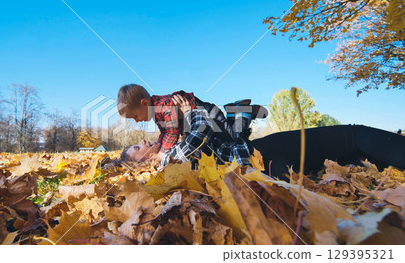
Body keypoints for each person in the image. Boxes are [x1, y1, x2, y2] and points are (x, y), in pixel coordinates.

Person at [121, 95, 405, 179]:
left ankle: (240, 113)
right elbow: (200, 133)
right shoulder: (169, 160)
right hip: (263, 157)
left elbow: (215, 139)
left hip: (261, 161)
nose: (143, 140)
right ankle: (240, 113)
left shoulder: (170, 146)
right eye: (137, 148)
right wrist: (189, 110)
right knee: (353, 136)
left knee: (353, 156)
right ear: (142, 165)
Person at [117, 84, 268, 161]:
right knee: (225, 135)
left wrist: (162, 153)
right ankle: (232, 112)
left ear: (144, 103)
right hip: (200, 120)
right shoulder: (157, 112)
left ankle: (241, 110)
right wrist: (160, 147)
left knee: (233, 135)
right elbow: (165, 134)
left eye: (135, 116)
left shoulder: (162, 108)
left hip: (207, 114)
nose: (136, 121)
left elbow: (172, 132)